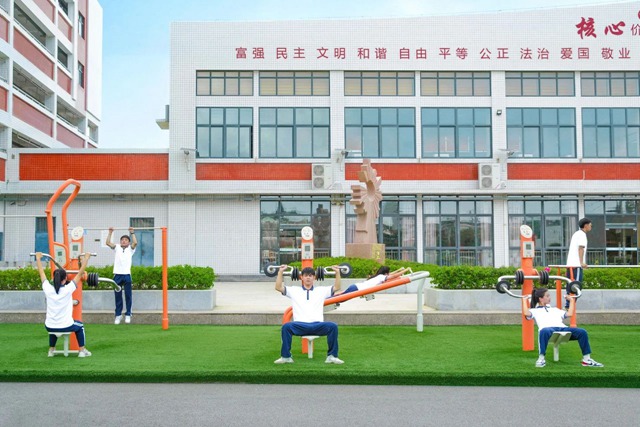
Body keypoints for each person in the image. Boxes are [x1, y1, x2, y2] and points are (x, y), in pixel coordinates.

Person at [274, 264, 344, 365]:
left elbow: (337, 287)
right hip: (300, 325)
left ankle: (332, 356)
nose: (308, 278)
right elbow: (278, 287)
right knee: (286, 327)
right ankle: (286, 357)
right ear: (301, 277)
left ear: (314, 278)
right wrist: (280, 272)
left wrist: (337, 272)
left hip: (317, 325)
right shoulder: (294, 290)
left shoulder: (321, 290)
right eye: (306, 275)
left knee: (333, 326)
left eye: (310, 275)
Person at [522, 287, 603, 368]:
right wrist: (524, 300)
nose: (549, 298)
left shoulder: (555, 309)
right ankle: (541, 358)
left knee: (582, 332)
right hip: (548, 330)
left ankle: (587, 359)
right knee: (543, 331)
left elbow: (569, 314)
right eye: (547, 296)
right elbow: (526, 313)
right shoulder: (534, 311)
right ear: (540, 299)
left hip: (562, 328)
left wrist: (571, 301)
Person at [36, 252, 93, 358]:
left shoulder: (47, 288)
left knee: (54, 325)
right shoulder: (68, 289)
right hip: (66, 325)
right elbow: (80, 273)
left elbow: (41, 273)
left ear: (54, 278)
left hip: (49, 326)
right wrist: (86, 258)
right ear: (65, 279)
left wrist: (38, 259)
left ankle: (51, 350)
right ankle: (82, 351)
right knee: (80, 326)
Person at [105, 227, 138, 324]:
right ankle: (118, 315)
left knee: (128, 295)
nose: (124, 241)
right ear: (120, 242)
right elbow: (107, 243)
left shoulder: (131, 249)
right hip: (117, 275)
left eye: (126, 240)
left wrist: (132, 233)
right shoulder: (117, 247)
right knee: (118, 296)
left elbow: (135, 243)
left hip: (127, 275)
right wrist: (110, 233)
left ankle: (128, 314)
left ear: (128, 242)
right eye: (122, 240)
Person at [565, 218, 592, 308]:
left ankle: (568, 306)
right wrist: (581, 263)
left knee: (571, 286)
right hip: (576, 265)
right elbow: (581, 248)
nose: (591, 227)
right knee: (576, 287)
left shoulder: (576, 234)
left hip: (571, 265)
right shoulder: (582, 235)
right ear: (586, 225)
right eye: (590, 225)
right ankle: (569, 307)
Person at [335, 266, 409, 296]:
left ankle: (331, 296)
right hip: (357, 288)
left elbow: (391, 274)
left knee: (340, 296)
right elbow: (393, 276)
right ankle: (329, 298)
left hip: (355, 287)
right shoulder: (381, 277)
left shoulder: (378, 276)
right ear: (386, 273)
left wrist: (399, 270)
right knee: (340, 298)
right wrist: (405, 270)